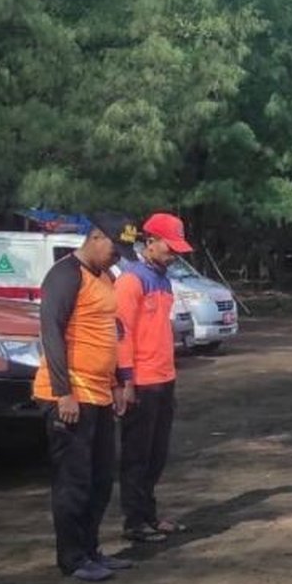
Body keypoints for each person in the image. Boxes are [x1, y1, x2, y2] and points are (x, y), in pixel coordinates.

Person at [34, 213, 138, 582]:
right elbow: (51, 333)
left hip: (99, 394)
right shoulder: (65, 275)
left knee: (99, 478)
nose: (117, 257)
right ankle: (72, 558)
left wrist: (115, 385)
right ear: (95, 237)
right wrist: (64, 393)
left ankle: (92, 549)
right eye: (114, 248)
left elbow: (107, 337)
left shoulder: (105, 277)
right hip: (69, 395)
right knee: (73, 482)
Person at [116, 212, 195, 543]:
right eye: (169, 246)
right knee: (137, 454)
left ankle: (148, 513)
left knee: (157, 454)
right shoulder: (131, 281)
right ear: (150, 242)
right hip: (142, 382)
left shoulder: (162, 279)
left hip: (165, 378)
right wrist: (127, 382)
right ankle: (135, 521)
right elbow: (122, 334)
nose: (173, 254)